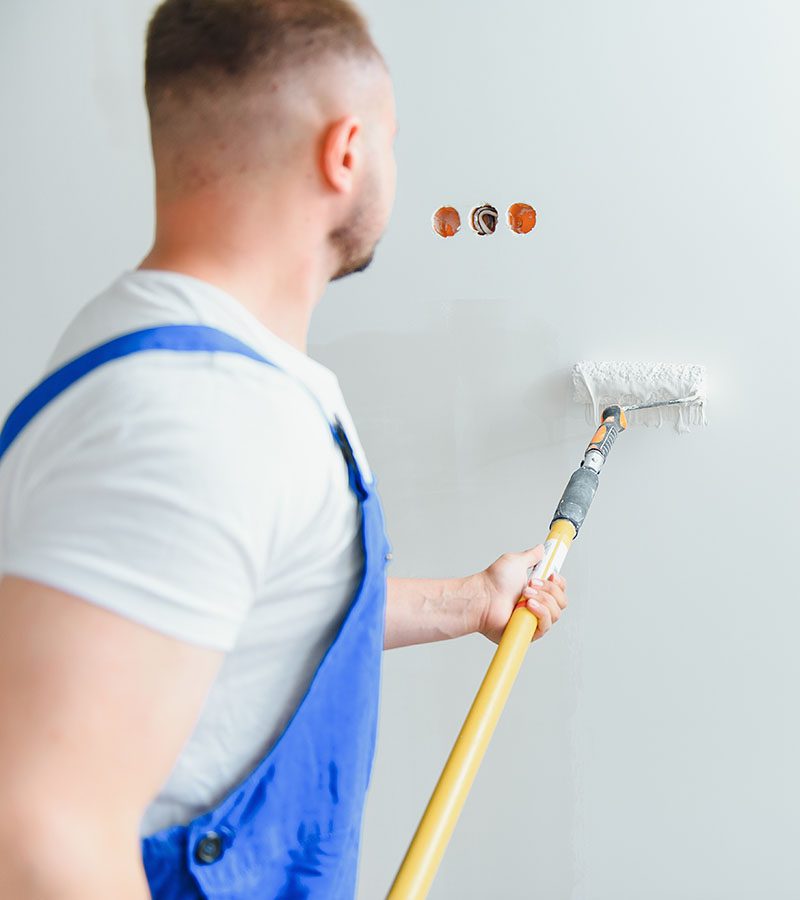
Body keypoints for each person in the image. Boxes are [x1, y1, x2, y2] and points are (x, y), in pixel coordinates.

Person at [0, 1, 568, 897]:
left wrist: (472, 601)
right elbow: (40, 836)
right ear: (347, 152)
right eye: (392, 138)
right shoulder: (197, 413)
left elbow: (242, 610)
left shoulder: (204, 370)